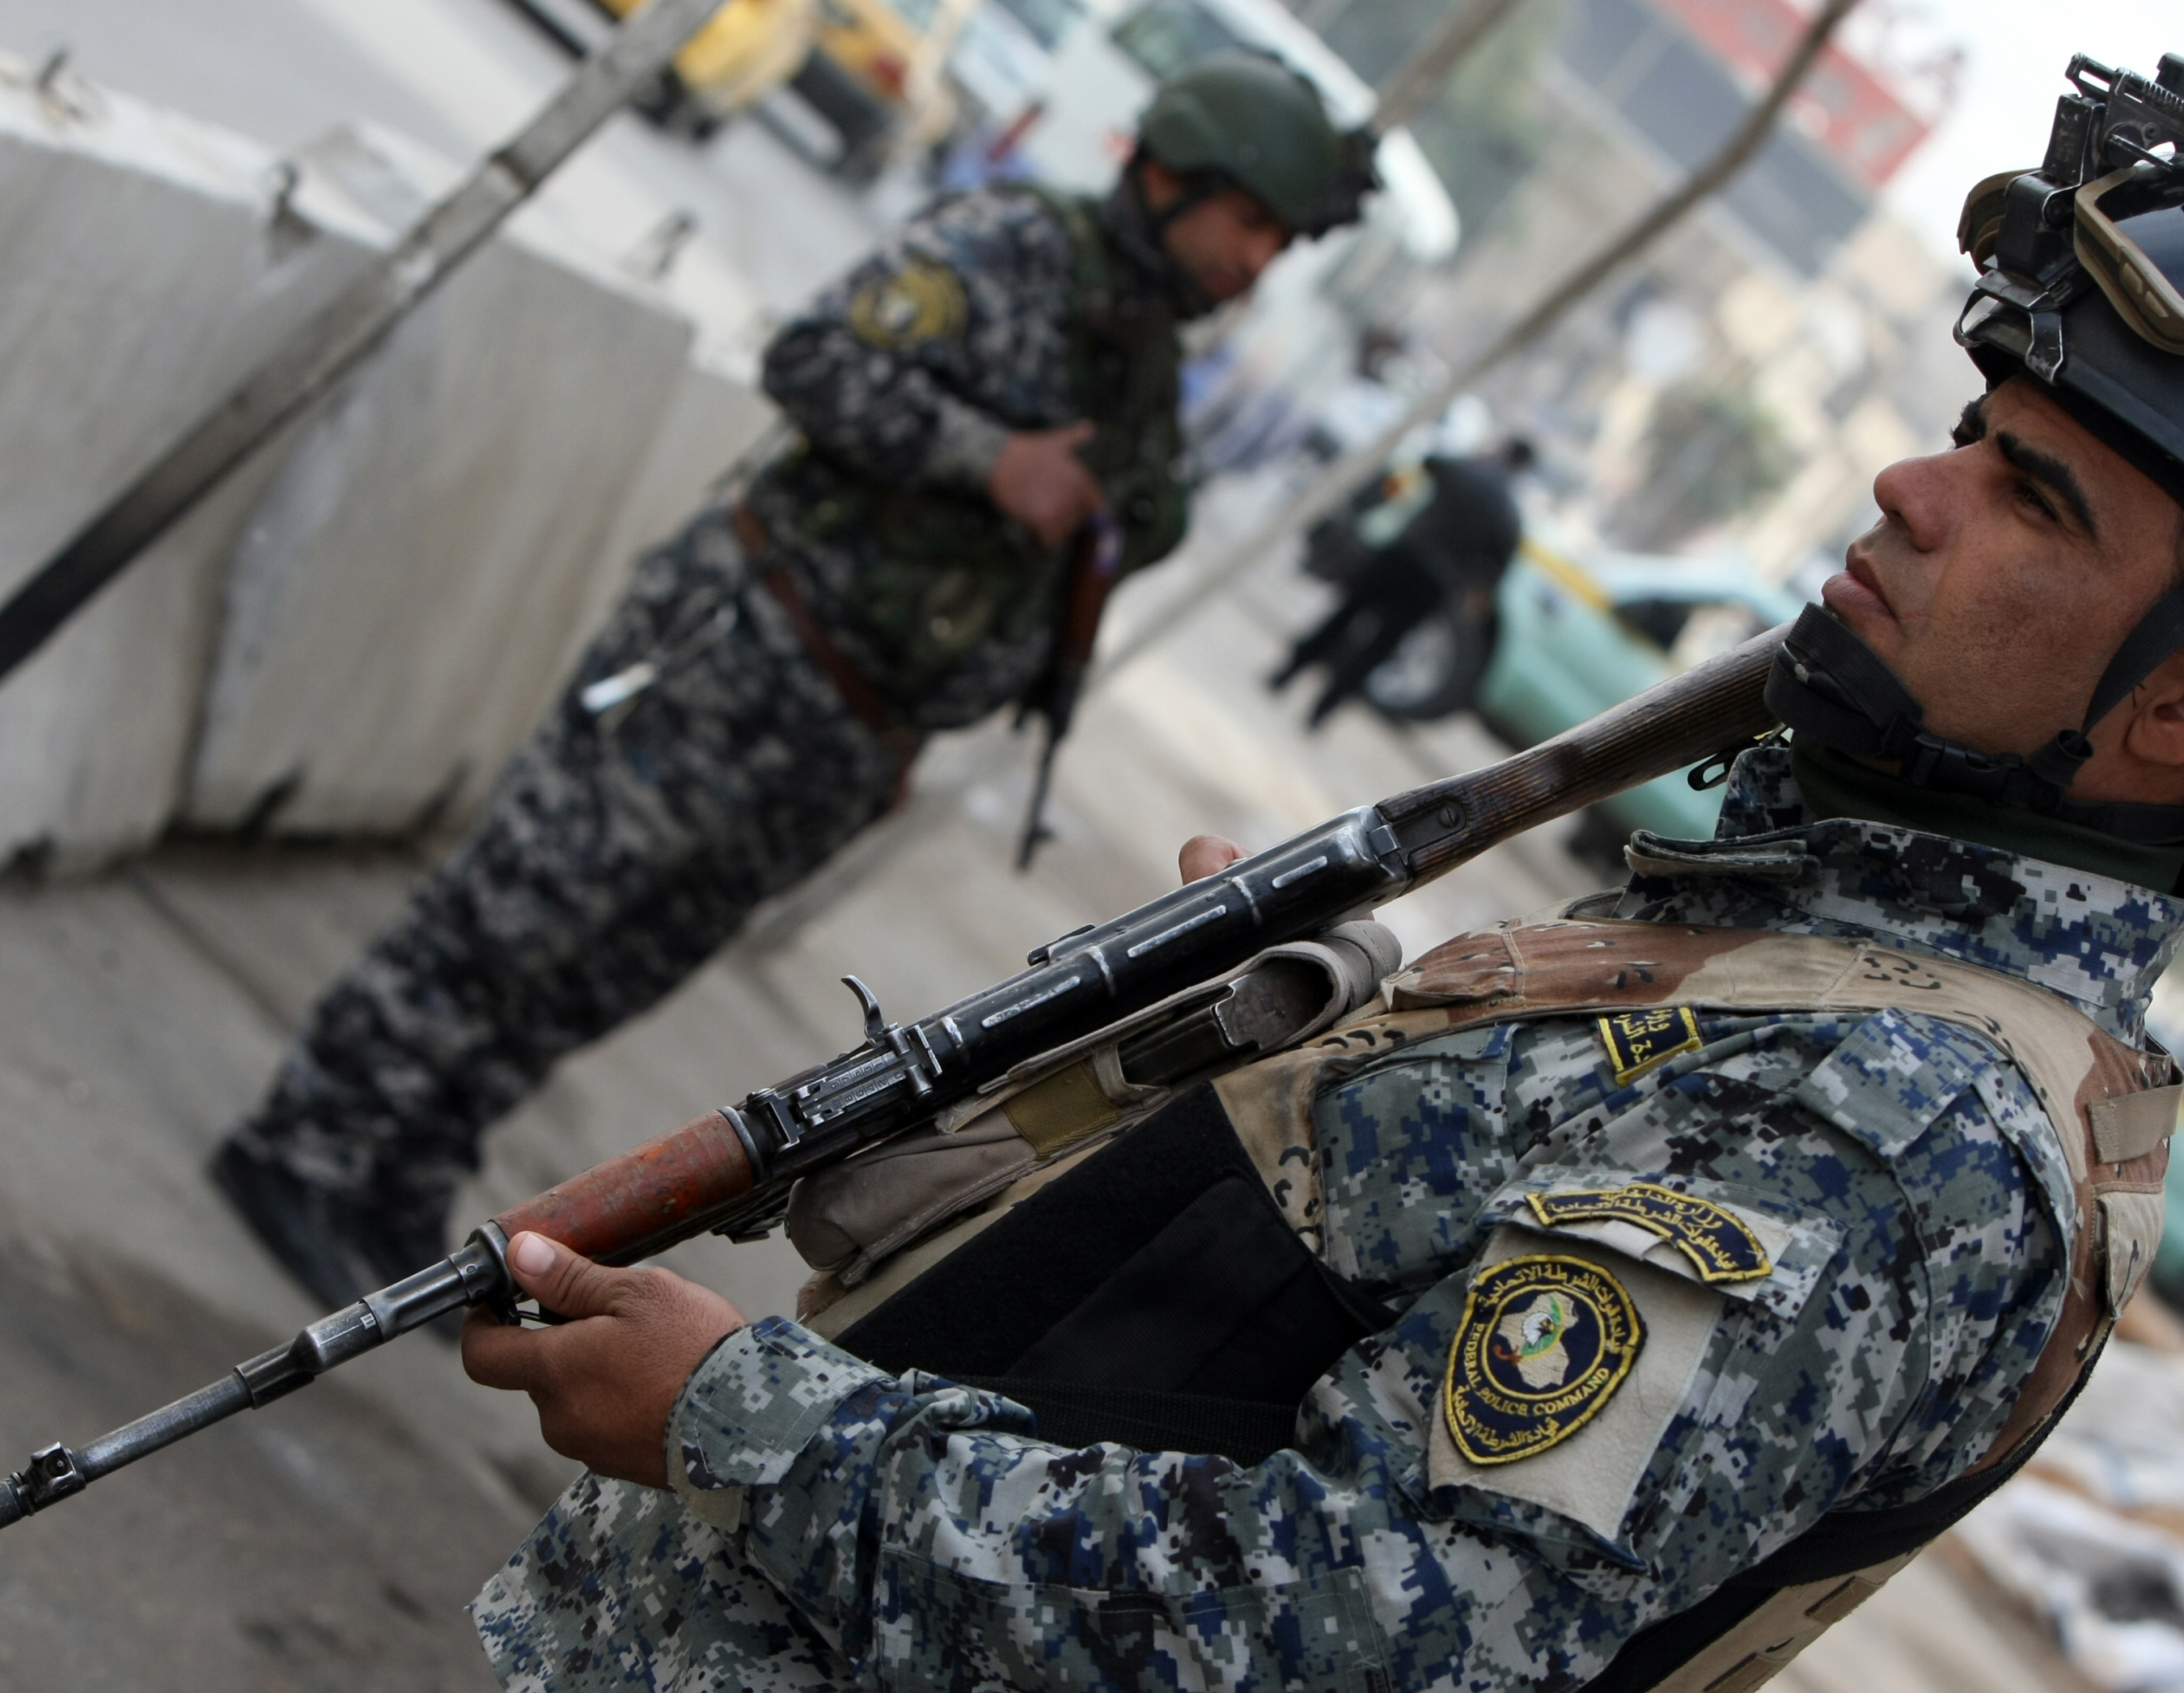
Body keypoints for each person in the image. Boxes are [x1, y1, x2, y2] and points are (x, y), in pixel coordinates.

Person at [451, 53, 2184, 1693]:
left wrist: (743, 1425)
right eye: (1972, 434)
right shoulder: (1810, 960)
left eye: (2035, 499)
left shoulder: (1900, 1132)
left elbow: (1330, 1648)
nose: (1911, 487)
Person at [208, 53, 1378, 1310]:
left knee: (609, 971)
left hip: (845, 734)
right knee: (522, 909)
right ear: (1170, 175)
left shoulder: (1140, 355)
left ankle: (405, 1172)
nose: (1258, 259)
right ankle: (302, 1141)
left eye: (1278, 239)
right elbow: (813, 359)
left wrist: (907, 733)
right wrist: (990, 459)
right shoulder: (1015, 244)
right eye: (1248, 221)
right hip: (746, 654)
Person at [1271, 437, 1535, 726]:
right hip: (1435, 583)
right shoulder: (1510, 514)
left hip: (1403, 556)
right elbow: (1495, 573)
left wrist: (1476, 456)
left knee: (1344, 614)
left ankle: (1286, 673)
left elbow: (1430, 461)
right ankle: (1323, 710)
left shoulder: (1467, 471)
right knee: (1380, 647)